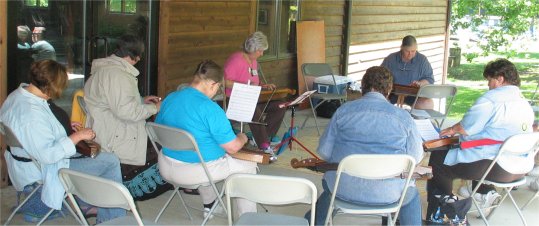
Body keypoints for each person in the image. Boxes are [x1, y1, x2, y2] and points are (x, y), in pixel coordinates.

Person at [0, 60, 125, 223]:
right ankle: (112, 220)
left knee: (95, 158)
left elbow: (29, 133)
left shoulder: (18, 95)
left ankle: (85, 202)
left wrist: (61, 127)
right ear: (52, 86)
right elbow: (48, 155)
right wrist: (77, 137)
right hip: (42, 169)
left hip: (25, 161)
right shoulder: (31, 114)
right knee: (110, 161)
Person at [306, 66, 424, 226]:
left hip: (344, 189)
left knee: (331, 185)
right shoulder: (404, 117)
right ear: (389, 89)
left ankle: (311, 222)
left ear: (363, 87)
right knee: (411, 195)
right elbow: (415, 157)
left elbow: (324, 152)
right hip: (389, 193)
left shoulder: (343, 111)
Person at [426, 58, 534, 220]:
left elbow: (466, 128)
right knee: (476, 153)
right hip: (521, 167)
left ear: (500, 79)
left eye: (490, 80)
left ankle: (444, 214)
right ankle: (484, 192)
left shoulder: (491, 99)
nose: (488, 85)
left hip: (498, 167)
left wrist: (452, 129)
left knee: (439, 160)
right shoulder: (524, 102)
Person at [155, 60, 257, 218]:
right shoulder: (210, 109)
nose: (217, 91)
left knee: (205, 155)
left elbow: (159, 130)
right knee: (248, 163)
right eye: (219, 87)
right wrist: (243, 138)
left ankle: (211, 205)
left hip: (165, 166)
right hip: (194, 171)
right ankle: (248, 218)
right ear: (212, 84)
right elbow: (233, 147)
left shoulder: (170, 98)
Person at [84, 34, 160, 166]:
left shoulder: (103, 69)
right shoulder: (118, 75)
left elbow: (112, 101)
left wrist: (141, 100)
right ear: (135, 56)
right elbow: (127, 112)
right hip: (114, 141)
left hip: (101, 133)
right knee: (160, 149)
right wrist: (155, 108)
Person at [224, 31, 286, 155]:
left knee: (280, 105)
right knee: (252, 110)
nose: (262, 54)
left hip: (252, 99)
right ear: (253, 49)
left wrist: (263, 85)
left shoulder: (253, 62)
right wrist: (244, 86)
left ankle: (263, 138)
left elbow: (253, 80)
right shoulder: (236, 60)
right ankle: (264, 146)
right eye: (260, 51)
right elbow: (225, 82)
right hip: (233, 101)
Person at [381, 35, 434, 109]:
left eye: (413, 51)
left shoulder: (422, 60)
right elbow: (380, 76)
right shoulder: (390, 59)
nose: (410, 54)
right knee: (379, 101)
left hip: (414, 96)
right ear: (401, 47)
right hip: (392, 94)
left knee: (428, 103)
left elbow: (429, 79)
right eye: (407, 51)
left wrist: (420, 83)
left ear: (416, 48)